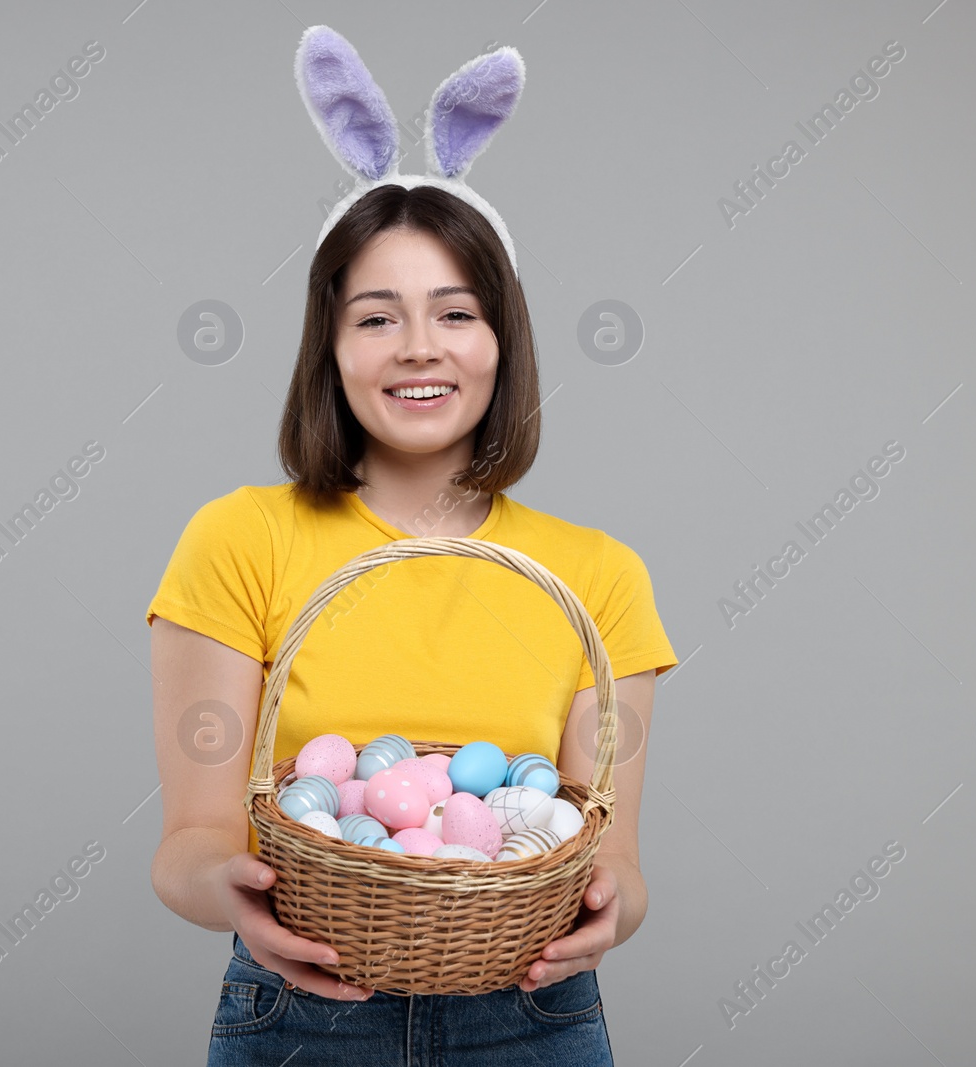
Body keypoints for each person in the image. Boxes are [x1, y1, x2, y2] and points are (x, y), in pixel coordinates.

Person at [148, 27, 679, 1065]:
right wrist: (237, 892)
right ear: (331, 347)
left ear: (502, 340)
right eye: (377, 317)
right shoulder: (240, 539)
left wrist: (615, 903)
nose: (420, 346)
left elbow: (610, 852)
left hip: (530, 1014)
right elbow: (189, 845)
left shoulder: (598, 575)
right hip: (300, 1009)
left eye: (457, 312)